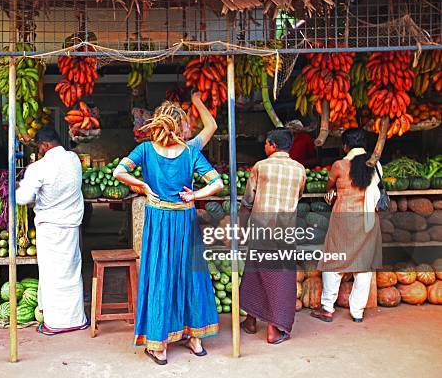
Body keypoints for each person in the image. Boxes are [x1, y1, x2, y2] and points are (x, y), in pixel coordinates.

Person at [113, 102, 223, 365]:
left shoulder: (145, 150)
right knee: (190, 275)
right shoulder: (190, 152)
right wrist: (194, 195)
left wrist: (142, 186)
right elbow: (217, 183)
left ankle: (159, 346)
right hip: (184, 219)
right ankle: (195, 340)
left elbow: (119, 172)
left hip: (159, 220)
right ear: (180, 124)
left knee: (160, 275)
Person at [15, 127, 88, 335]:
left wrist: (16, 187)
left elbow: (24, 198)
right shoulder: (73, 159)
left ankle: (56, 323)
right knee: (72, 272)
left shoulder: (39, 167)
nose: (39, 151)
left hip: (51, 228)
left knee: (52, 275)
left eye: (39, 148)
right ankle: (77, 320)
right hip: (72, 225)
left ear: (44, 145)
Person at [239, 128, 306, 345]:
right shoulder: (299, 170)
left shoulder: (261, 166)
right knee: (279, 280)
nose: (265, 147)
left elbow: (248, 201)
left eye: (266, 144)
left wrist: (240, 229)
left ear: (272, 145)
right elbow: (298, 196)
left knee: (255, 275)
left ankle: (252, 322)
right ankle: (274, 330)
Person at [311, 128, 382, 323]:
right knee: (364, 266)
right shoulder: (375, 165)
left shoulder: (339, 165)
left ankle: (327, 308)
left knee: (334, 260)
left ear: (345, 146)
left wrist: (334, 191)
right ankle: (357, 312)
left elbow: (329, 186)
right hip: (368, 221)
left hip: (343, 219)